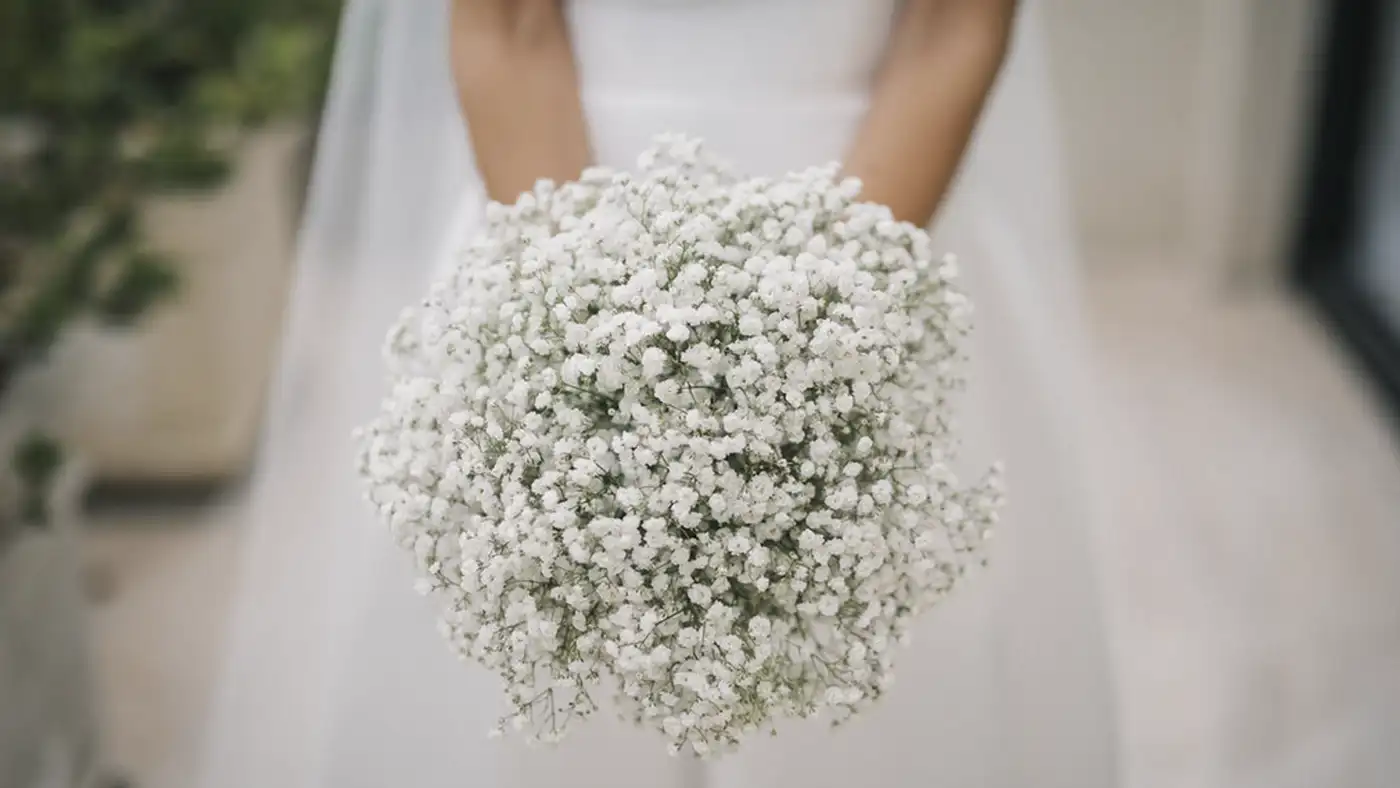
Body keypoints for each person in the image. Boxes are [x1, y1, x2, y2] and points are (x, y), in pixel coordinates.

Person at [198, 1, 1120, 786]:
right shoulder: (568, 279)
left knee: (887, 690)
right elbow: (509, 25)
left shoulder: (852, 286)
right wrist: (589, 330)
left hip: (874, 222)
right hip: (556, 203)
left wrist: (810, 340)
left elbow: (953, 26)